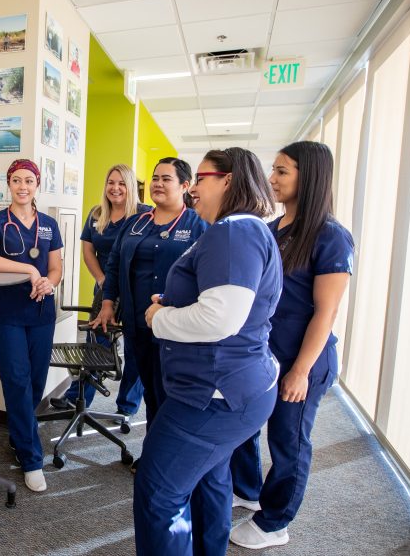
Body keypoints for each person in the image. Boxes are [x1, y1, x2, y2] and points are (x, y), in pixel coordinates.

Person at [133, 147, 282, 556]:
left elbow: (221, 319)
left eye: (201, 177)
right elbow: (222, 300)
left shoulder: (235, 230)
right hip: (227, 387)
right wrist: (175, 302)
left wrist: (157, 318)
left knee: (158, 491)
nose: (194, 187)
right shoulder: (241, 231)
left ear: (229, 179)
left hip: (212, 394)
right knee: (210, 476)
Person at [228, 141, 354, 549]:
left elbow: (326, 313)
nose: (272, 179)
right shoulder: (271, 229)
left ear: (309, 177)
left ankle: (275, 522)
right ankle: (248, 490)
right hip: (263, 354)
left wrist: (299, 371)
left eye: (282, 171)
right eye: (274, 170)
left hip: (303, 360)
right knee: (245, 428)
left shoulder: (331, 237)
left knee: (288, 441)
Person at [93, 158, 206, 429]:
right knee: (151, 392)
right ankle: (155, 449)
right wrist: (108, 303)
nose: (157, 183)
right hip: (137, 323)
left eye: (166, 179)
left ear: (185, 186)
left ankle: (165, 456)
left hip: (176, 326)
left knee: (171, 393)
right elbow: (114, 265)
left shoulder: (197, 224)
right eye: (155, 178)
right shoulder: (136, 223)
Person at [0, 159, 63, 492]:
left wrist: (49, 282)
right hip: (9, 315)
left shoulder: (49, 224)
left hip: (42, 312)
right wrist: (28, 270)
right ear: (8, 184)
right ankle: (30, 458)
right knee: (16, 380)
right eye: (16, 180)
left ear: (37, 184)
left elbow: (56, 268)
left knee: (35, 383)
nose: (22, 186)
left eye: (29, 180)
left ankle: (18, 434)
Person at [51, 164, 148, 410]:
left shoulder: (144, 215)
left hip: (137, 291)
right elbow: (87, 250)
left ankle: (127, 405)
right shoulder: (97, 214)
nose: (115, 188)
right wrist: (103, 280)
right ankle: (77, 397)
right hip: (105, 287)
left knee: (137, 349)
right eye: (111, 182)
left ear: (130, 187)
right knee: (96, 342)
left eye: (121, 183)